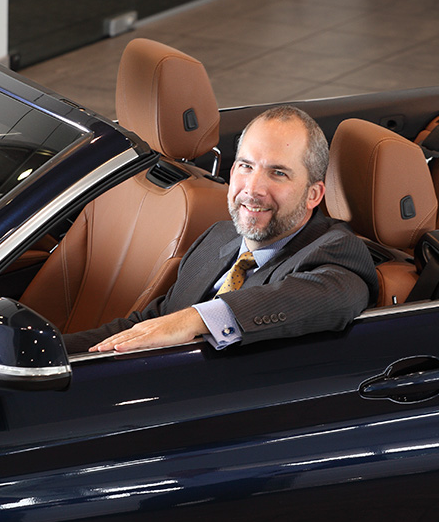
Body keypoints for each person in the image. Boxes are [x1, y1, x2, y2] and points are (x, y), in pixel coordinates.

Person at [64, 105, 378, 355]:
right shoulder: (219, 237)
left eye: (278, 173)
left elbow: (334, 296)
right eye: (246, 166)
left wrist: (195, 319)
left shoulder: (336, 251)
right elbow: (151, 324)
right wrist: (54, 354)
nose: (253, 188)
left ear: (313, 194)